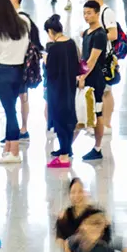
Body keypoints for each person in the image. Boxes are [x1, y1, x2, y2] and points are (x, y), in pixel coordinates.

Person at [0, 0, 30, 164]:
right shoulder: (24, 23)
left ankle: (15, 151)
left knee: (10, 111)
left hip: (3, 71)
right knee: (12, 109)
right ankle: (8, 147)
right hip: (20, 70)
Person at [43, 15, 80, 167]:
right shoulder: (71, 43)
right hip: (70, 87)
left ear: (51, 31)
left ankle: (64, 156)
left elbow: (50, 71)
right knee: (68, 119)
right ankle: (66, 149)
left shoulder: (54, 48)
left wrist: (45, 61)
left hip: (56, 90)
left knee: (59, 122)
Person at [79, 0, 111, 160]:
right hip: (86, 77)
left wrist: (83, 77)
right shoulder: (86, 32)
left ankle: (97, 148)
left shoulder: (100, 35)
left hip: (95, 79)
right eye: (84, 13)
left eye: (89, 13)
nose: (86, 16)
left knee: (98, 113)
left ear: (97, 14)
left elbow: (92, 60)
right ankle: (66, 148)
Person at [56, 178, 95, 252]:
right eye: (73, 192)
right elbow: (60, 240)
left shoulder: (93, 214)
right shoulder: (64, 216)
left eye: (80, 191)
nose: (77, 195)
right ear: (69, 195)